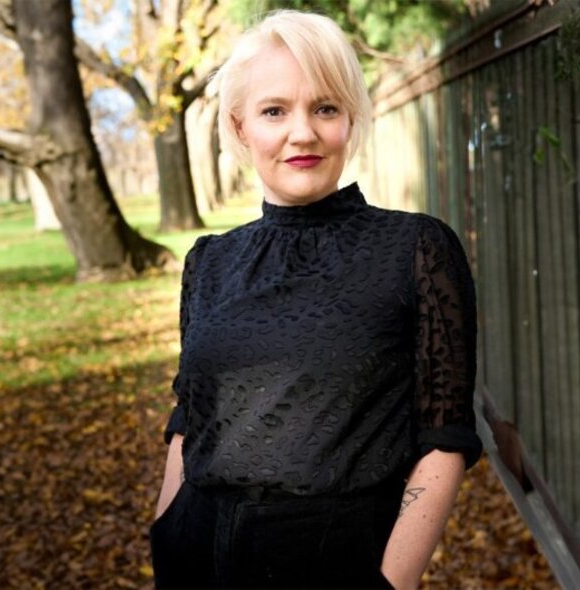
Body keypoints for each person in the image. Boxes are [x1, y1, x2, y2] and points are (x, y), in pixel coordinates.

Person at [150, 10, 482, 589]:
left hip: (339, 563)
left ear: (349, 119)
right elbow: (190, 418)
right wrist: (167, 531)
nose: (301, 133)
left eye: (324, 108)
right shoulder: (209, 261)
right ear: (241, 126)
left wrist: (389, 583)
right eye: (274, 110)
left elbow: (444, 439)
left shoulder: (415, 248)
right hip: (199, 555)